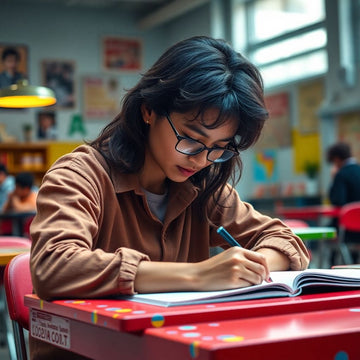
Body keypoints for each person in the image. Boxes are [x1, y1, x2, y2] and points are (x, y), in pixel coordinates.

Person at [30, 36, 309, 359]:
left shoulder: (202, 188)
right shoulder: (82, 173)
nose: (201, 159)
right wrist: (199, 275)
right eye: (191, 139)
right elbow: (54, 265)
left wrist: (250, 268)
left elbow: (283, 239)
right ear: (149, 110)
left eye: (219, 147)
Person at [326, 142, 360, 255]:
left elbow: (337, 201)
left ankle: (330, 266)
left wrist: (334, 178)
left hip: (347, 230)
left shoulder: (341, 174)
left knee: (326, 233)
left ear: (336, 159)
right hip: (357, 229)